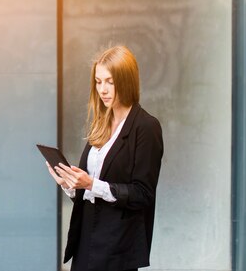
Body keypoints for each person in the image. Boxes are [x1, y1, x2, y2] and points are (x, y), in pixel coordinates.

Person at [46, 45, 163, 271]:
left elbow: (143, 194)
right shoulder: (101, 123)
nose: (103, 89)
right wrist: (70, 184)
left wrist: (92, 184)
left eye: (109, 81)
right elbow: (91, 190)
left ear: (126, 80)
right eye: (98, 82)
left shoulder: (146, 127)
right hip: (87, 237)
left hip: (117, 245)